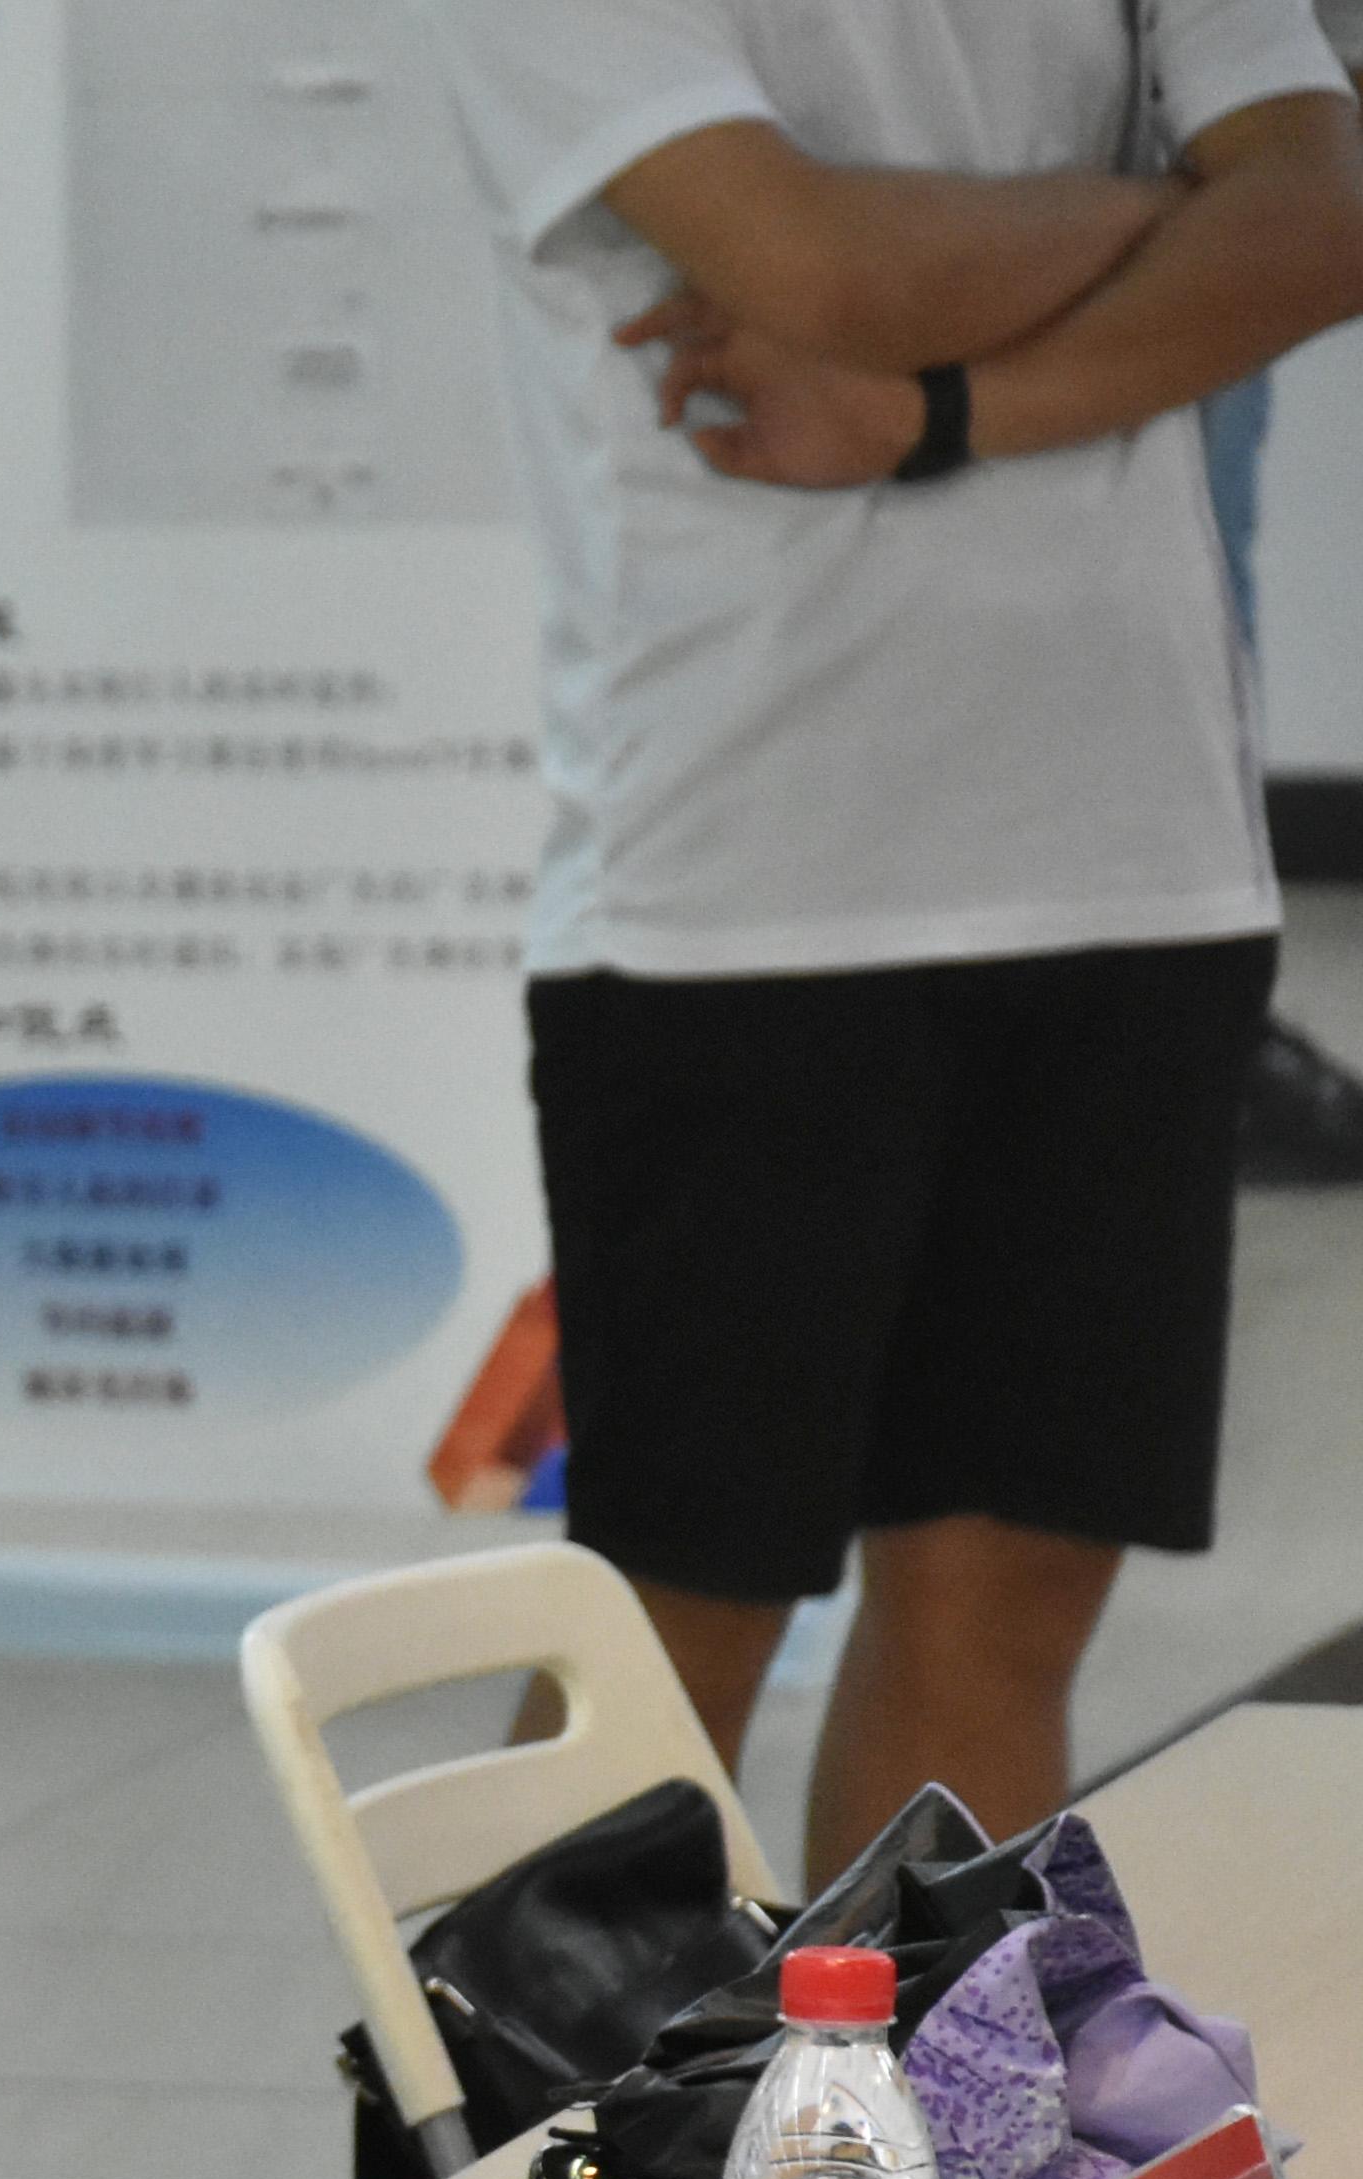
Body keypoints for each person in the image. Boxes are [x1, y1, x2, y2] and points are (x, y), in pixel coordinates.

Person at [418, 0, 1363, 1877]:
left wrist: (935, 410)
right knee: (677, 1622)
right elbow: (823, 269)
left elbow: (1327, 217)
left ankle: (917, 2084)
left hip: (1135, 864)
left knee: (1008, 1603)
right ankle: (522, 2090)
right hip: (744, 892)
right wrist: (1168, 207)